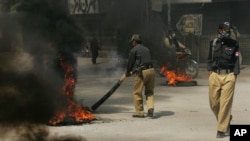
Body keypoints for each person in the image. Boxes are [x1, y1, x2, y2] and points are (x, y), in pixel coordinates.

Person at [207, 22, 240, 138]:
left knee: (225, 104)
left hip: (228, 76)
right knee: (213, 104)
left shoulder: (234, 43)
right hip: (215, 75)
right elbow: (209, 58)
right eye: (222, 30)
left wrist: (235, 74)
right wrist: (209, 70)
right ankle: (226, 119)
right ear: (219, 30)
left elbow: (236, 60)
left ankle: (221, 130)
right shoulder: (213, 43)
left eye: (227, 30)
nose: (224, 32)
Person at [126, 34, 156, 118]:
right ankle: (150, 108)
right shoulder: (147, 49)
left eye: (132, 42)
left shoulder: (133, 50)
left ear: (134, 41)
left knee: (137, 92)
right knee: (149, 92)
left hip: (142, 72)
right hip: (151, 71)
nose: (132, 43)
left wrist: (127, 72)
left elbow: (130, 63)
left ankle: (139, 112)